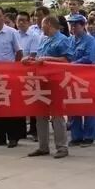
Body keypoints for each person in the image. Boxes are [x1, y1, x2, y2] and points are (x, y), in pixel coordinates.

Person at [24, 16, 74, 159]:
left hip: (56, 82)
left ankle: (62, 147)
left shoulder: (63, 40)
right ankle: (43, 146)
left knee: (57, 116)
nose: (41, 27)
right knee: (40, 115)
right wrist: (30, 60)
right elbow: (39, 57)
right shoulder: (44, 39)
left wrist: (47, 59)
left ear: (49, 24)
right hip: (41, 81)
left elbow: (67, 60)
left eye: (42, 24)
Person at [0, 6, 24, 148]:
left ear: (3, 17)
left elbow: (19, 52)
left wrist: (15, 69)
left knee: (10, 106)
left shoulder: (12, 32)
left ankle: (13, 136)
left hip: (9, 75)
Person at [66, 14, 95, 147]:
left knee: (88, 108)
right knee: (74, 107)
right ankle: (76, 136)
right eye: (71, 25)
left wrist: (72, 64)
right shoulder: (70, 40)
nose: (73, 28)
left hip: (86, 78)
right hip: (71, 78)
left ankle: (89, 136)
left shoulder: (90, 40)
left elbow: (89, 58)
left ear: (82, 26)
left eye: (75, 25)